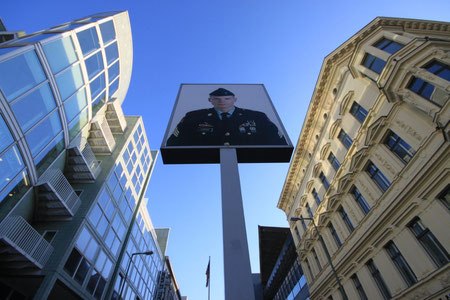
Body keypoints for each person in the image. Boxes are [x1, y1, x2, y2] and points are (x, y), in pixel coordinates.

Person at [166, 88, 287, 146]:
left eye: (227, 98)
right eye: (216, 99)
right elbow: (173, 143)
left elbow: (279, 141)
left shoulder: (257, 116)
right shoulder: (193, 116)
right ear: (210, 100)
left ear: (234, 99)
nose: (222, 102)